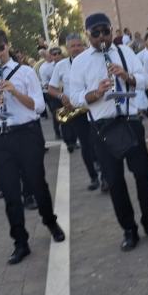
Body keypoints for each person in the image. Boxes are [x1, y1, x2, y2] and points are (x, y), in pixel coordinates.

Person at [69, 12, 148, 251]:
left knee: (143, 176)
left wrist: (126, 76)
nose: (103, 37)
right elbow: (74, 98)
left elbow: (145, 80)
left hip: (130, 121)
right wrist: (96, 93)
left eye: (106, 31)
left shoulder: (125, 53)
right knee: (115, 181)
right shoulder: (81, 62)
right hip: (103, 128)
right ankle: (129, 229)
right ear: (88, 35)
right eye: (96, 33)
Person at [0, 28, 65, 264]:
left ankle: (51, 223)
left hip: (26, 134)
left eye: (0, 48)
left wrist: (15, 92)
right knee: (10, 192)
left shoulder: (25, 72)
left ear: (7, 45)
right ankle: (20, 242)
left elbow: (38, 107)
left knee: (37, 183)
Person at [48, 33, 101, 190]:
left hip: (96, 107)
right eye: (72, 46)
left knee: (99, 143)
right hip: (76, 110)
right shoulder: (61, 66)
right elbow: (51, 88)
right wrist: (61, 95)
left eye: (79, 45)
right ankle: (93, 177)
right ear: (67, 48)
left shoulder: (93, 60)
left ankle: (105, 176)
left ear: (84, 45)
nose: (76, 48)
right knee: (85, 144)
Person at [40, 46, 64, 140]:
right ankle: (57, 132)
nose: (57, 55)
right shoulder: (44, 68)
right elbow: (45, 84)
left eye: (58, 53)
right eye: (54, 54)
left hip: (65, 92)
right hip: (52, 94)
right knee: (56, 114)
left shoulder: (64, 63)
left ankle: (70, 137)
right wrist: (56, 89)